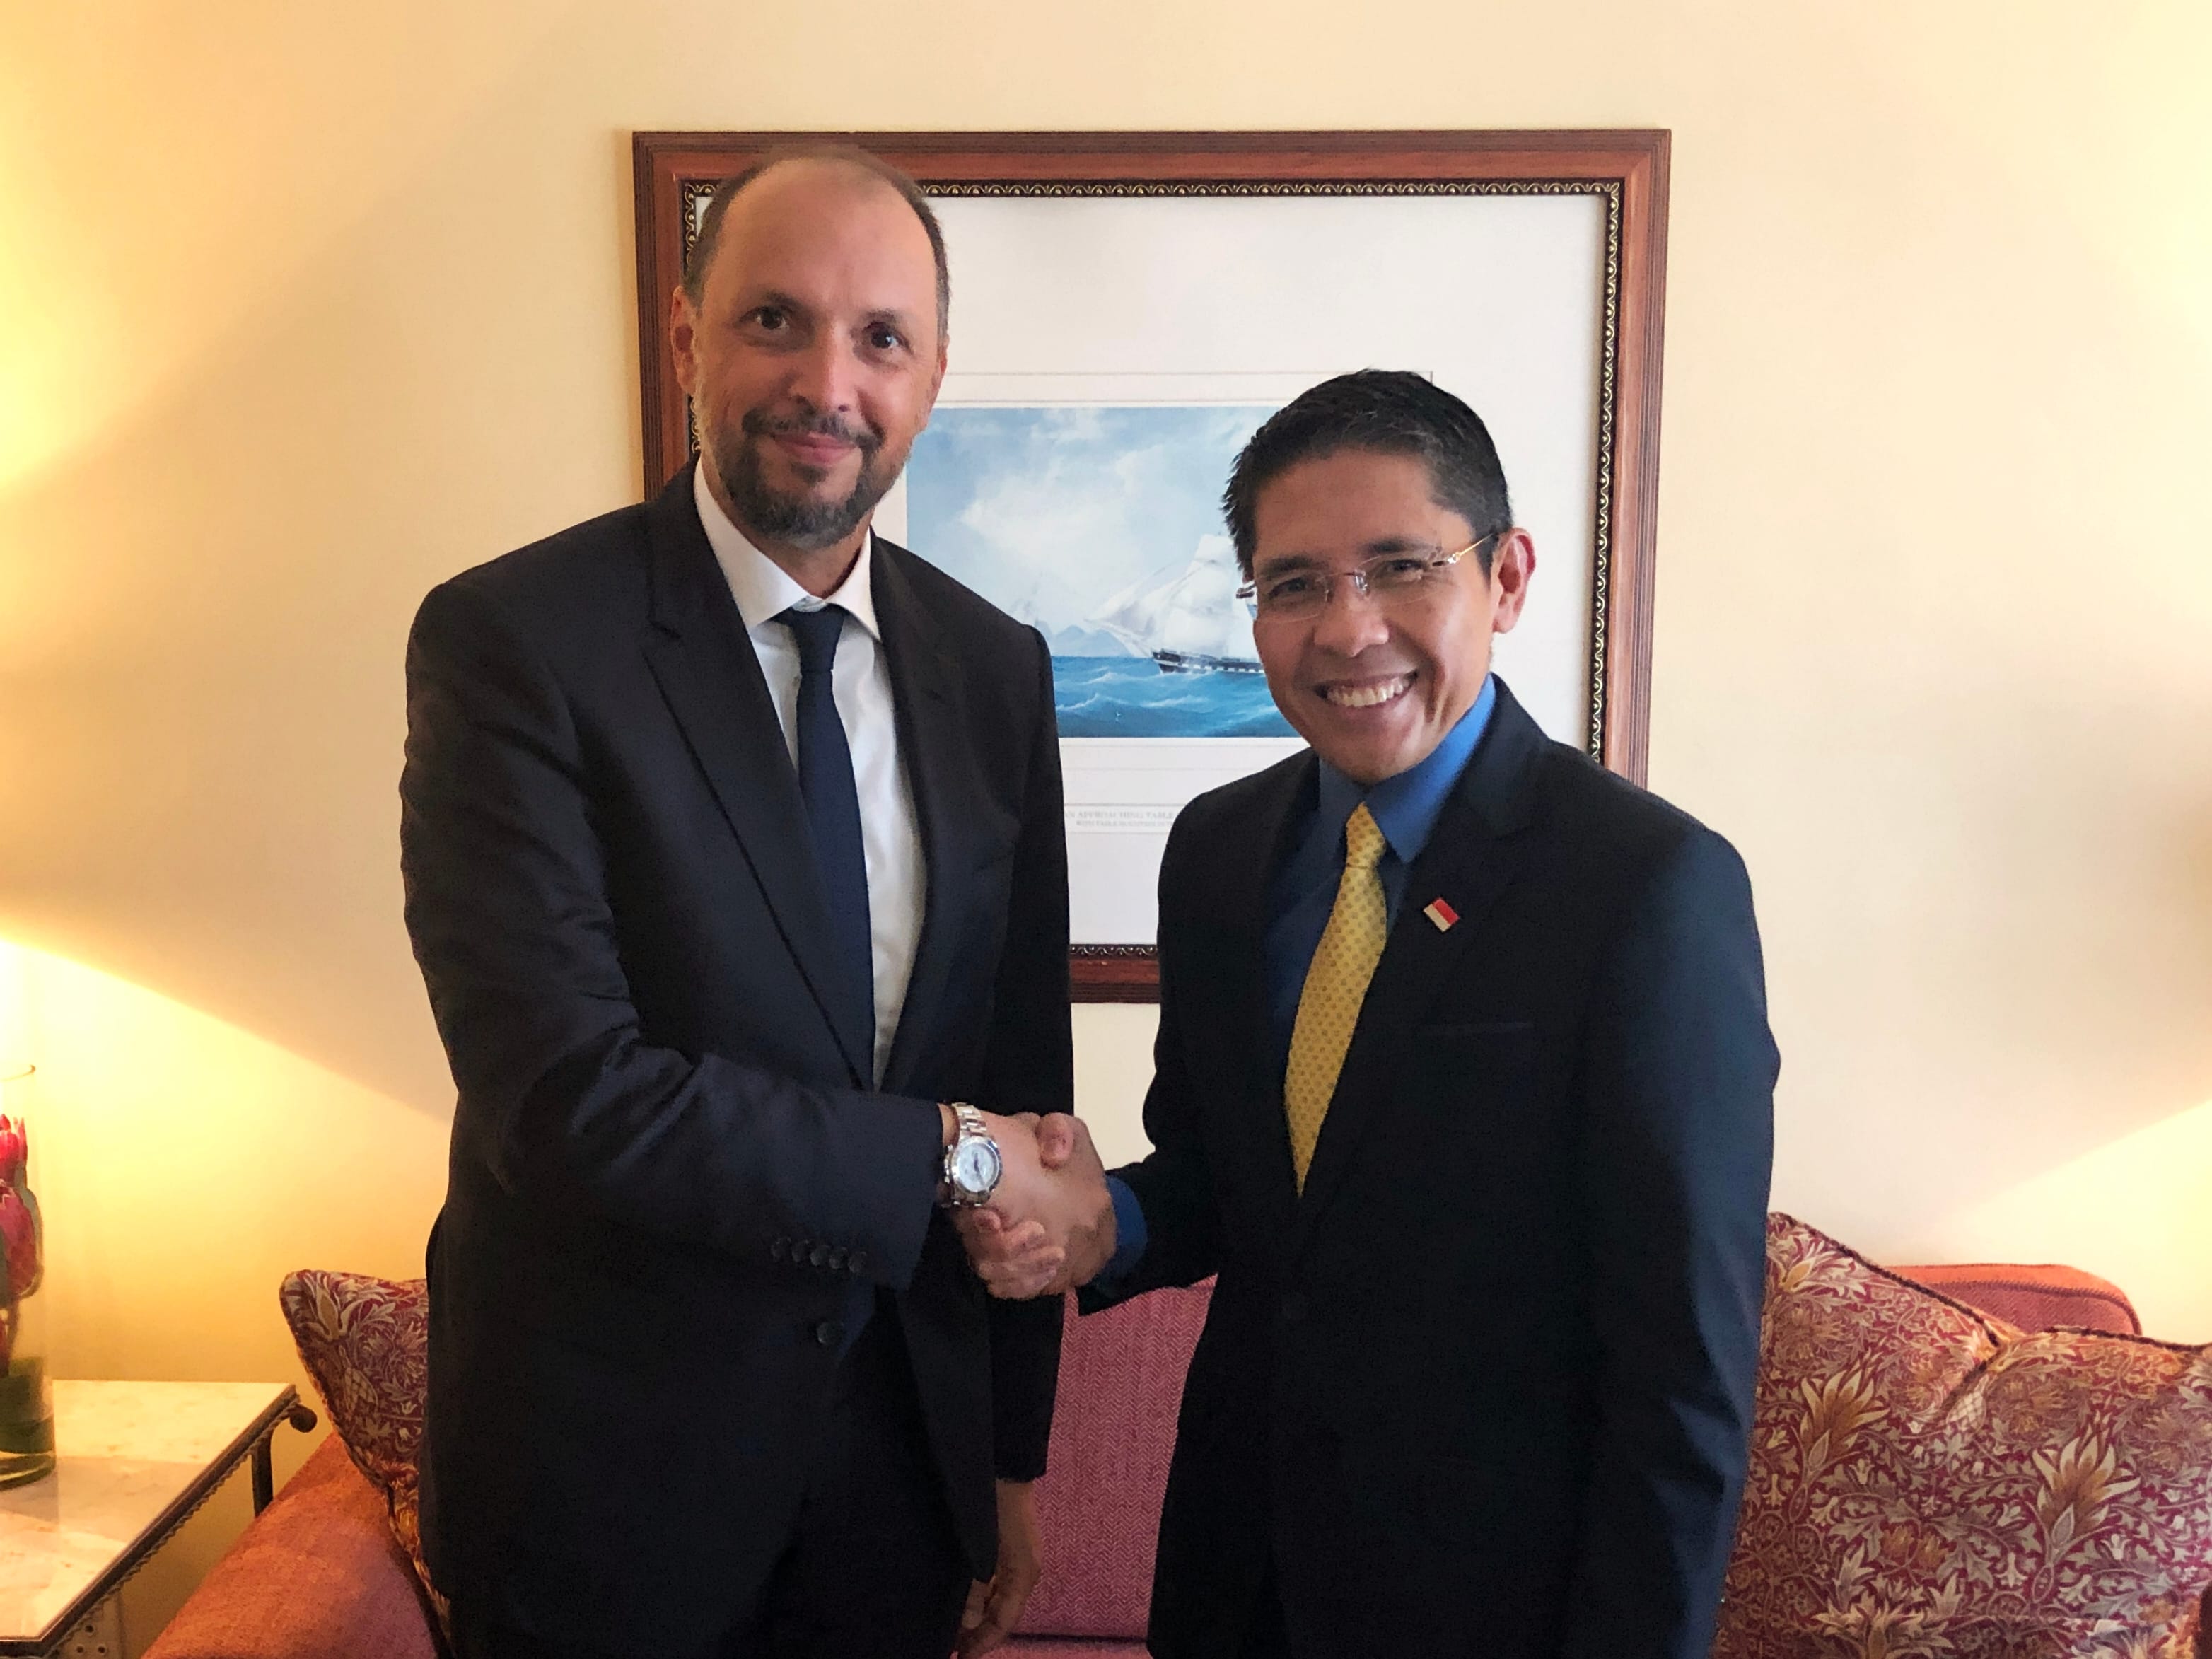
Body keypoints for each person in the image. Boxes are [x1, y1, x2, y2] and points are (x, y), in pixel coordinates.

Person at [400, 146, 1107, 1659]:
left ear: (931, 377)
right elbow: (568, 1098)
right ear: (685, 340)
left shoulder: (996, 669)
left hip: (898, 1492)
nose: (826, 383)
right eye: (774, 321)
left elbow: (1017, 1078)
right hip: (602, 1491)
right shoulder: (514, 643)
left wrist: (1005, 1459)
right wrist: (936, 1152)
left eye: (880, 339)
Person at [965, 371, 1777, 1658]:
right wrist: (1097, 1222)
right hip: (1239, 1572)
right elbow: (1231, 1180)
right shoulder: (1222, 854)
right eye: (1294, 584)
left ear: (1505, 578)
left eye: (1400, 566)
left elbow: (1683, 1374)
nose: (1348, 629)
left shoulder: (1645, 888)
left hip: (1495, 1603)